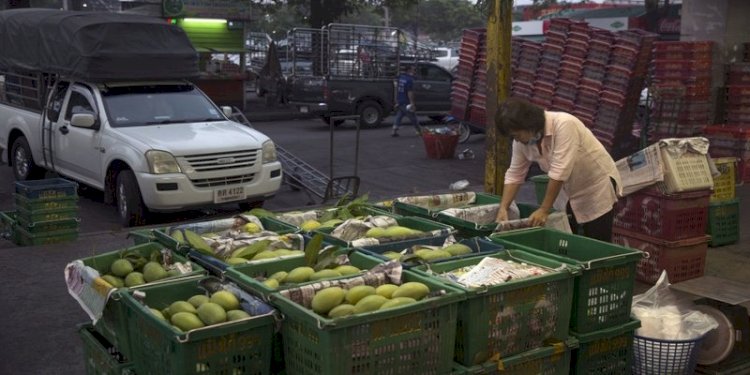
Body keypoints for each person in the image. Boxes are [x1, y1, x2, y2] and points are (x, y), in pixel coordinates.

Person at [494, 98, 622, 242]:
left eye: (516, 135)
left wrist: (544, 209)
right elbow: (515, 174)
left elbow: (559, 171)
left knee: (597, 241)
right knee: (568, 239)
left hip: (595, 185)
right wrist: (504, 208)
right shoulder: (522, 142)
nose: (516, 140)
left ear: (528, 124)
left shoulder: (564, 124)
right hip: (567, 191)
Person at [392, 64, 419, 137]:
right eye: (413, 69)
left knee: (400, 115)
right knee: (413, 117)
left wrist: (396, 99)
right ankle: (418, 130)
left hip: (400, 99)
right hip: (406, 101)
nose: (414, 71)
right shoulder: (409, 80)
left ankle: (394, 129)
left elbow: (396, 87)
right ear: (409, 70)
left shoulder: (401, 77)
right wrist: (412, 103)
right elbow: (409, 92)